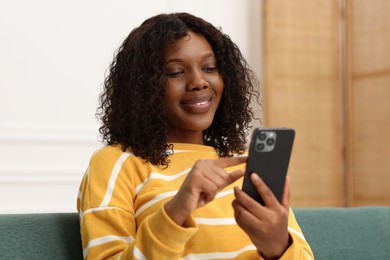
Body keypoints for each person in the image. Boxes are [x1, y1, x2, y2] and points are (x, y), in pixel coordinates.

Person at [77, 12, 313, 259]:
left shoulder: (245, 163)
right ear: (143, 87)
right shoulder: (117, 163)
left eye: (209, 68)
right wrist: (175, 213)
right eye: (175, 72)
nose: (199, 82)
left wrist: (278, 246)